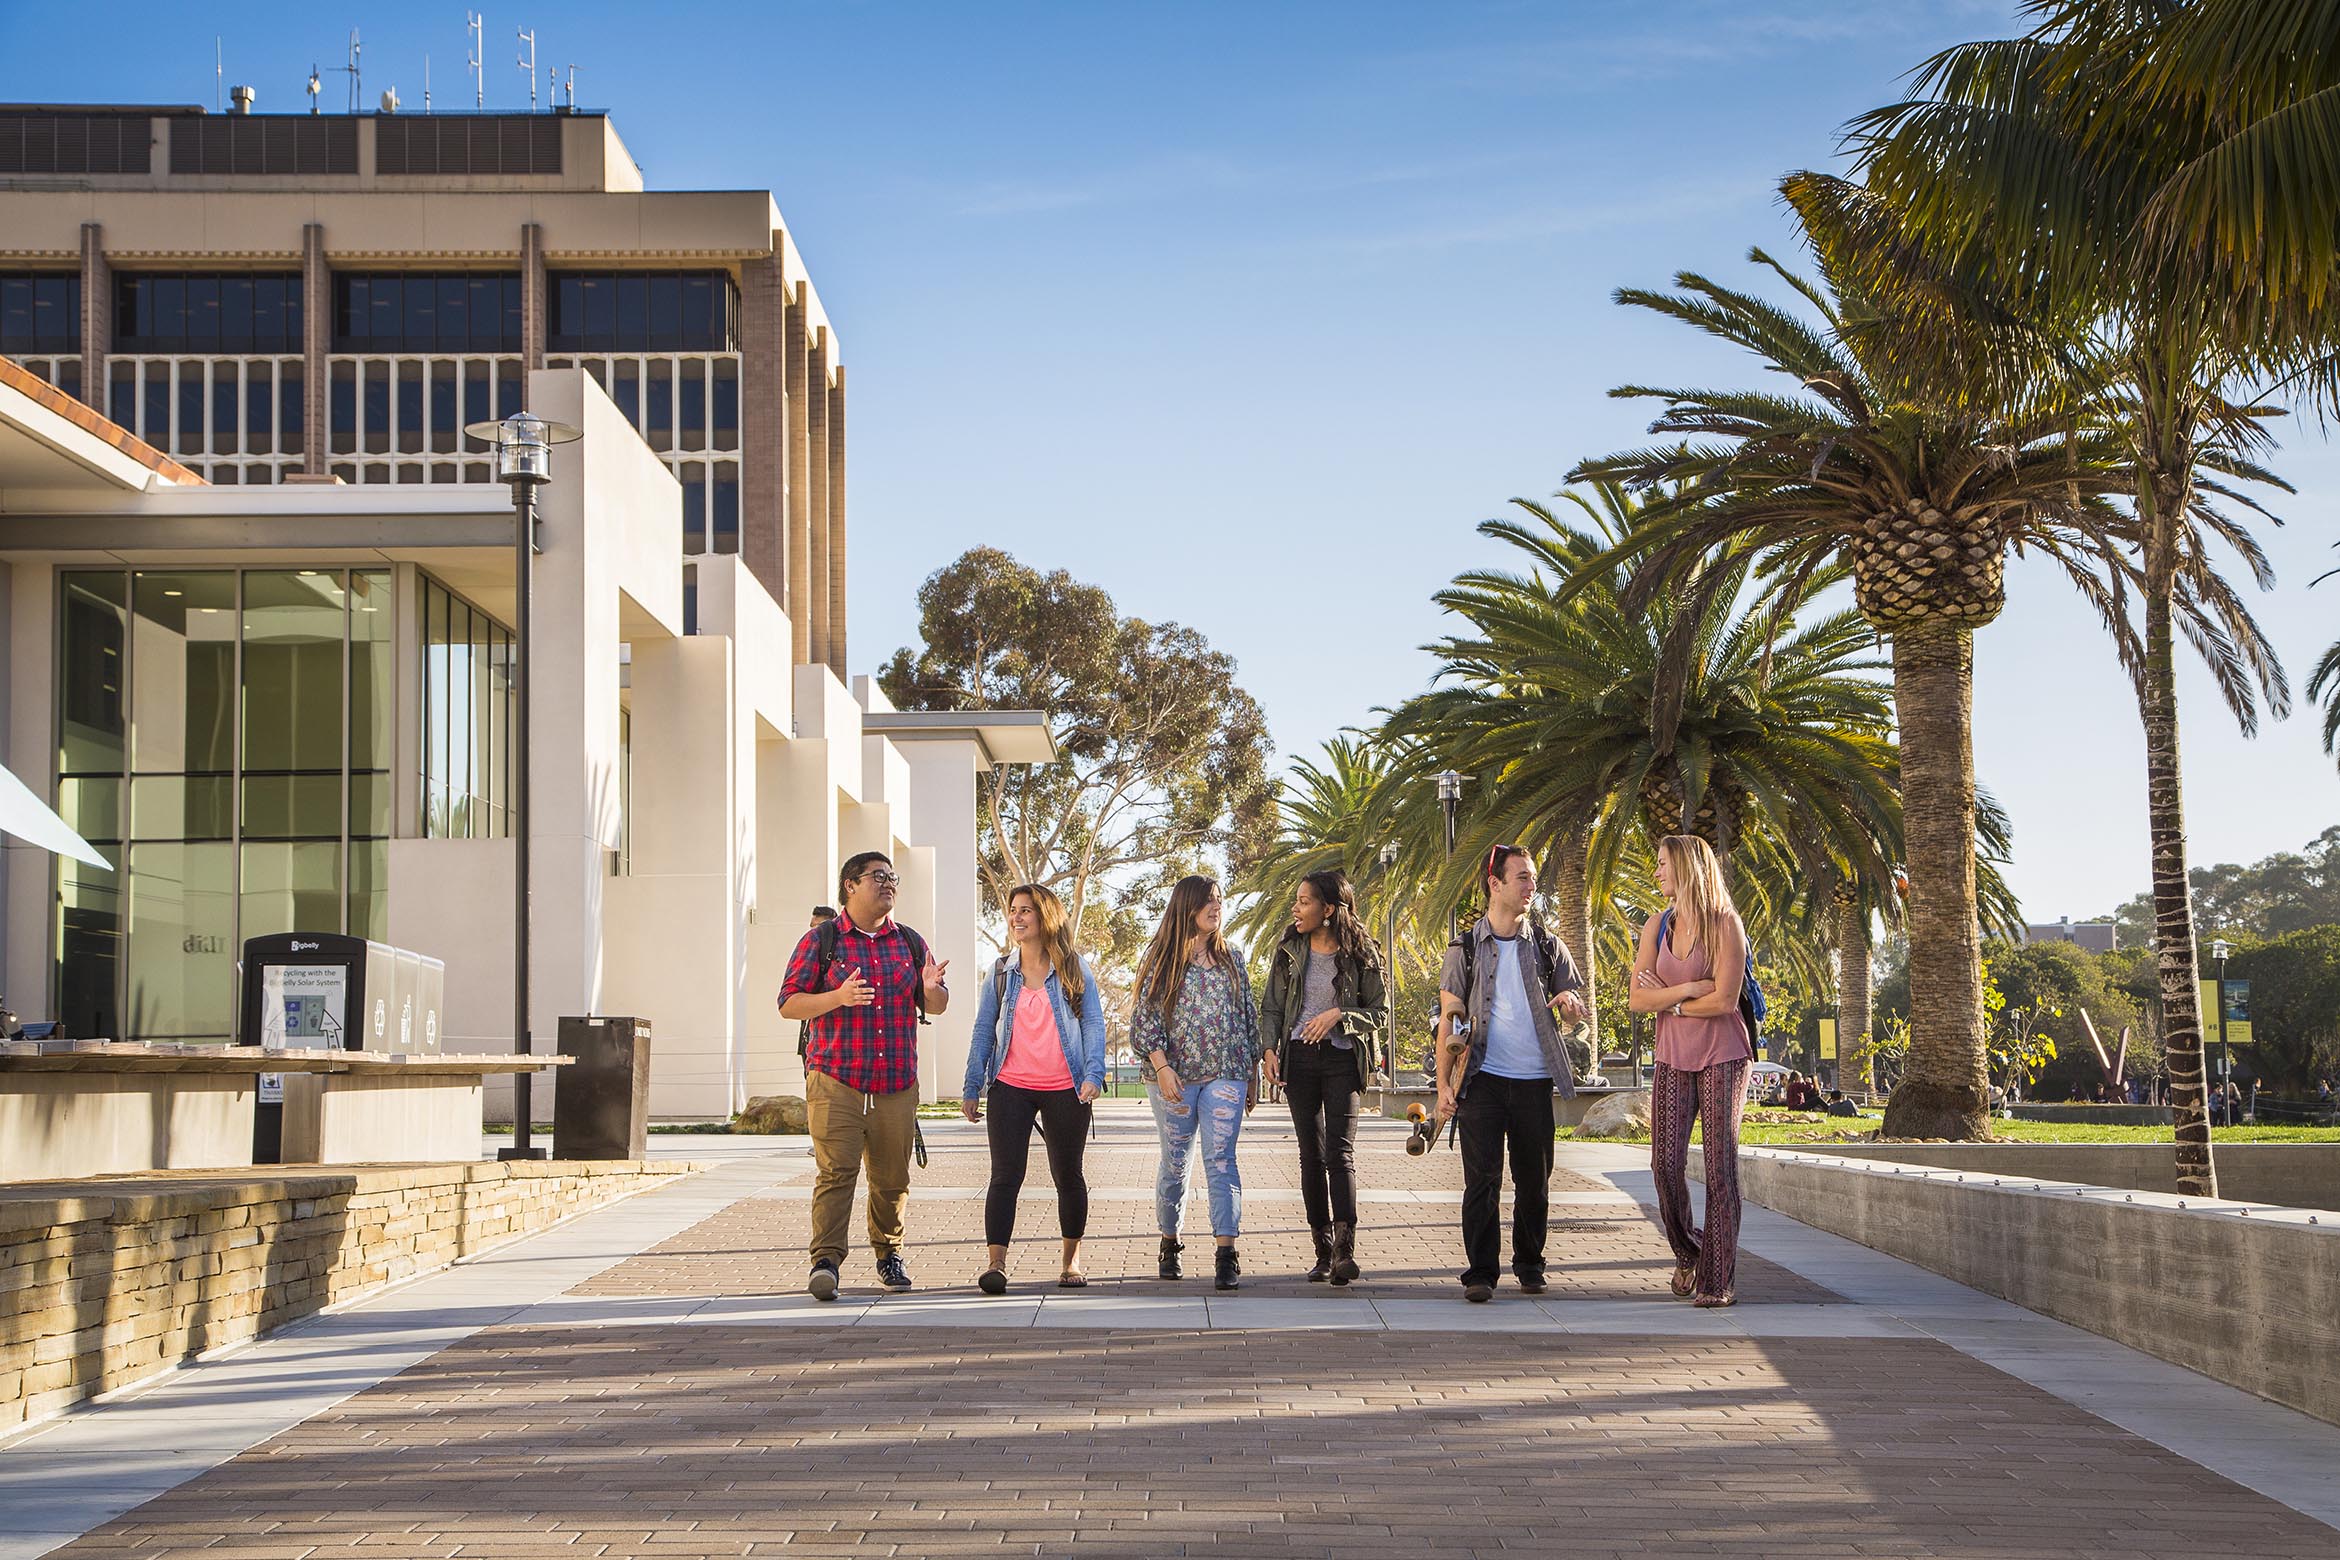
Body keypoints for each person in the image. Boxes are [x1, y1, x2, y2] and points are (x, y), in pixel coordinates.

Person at [778, 852, 949, 1300]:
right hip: (836, 1078)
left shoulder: (910, 942)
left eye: (893, 877)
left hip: (895, 1080)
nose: (889, 883)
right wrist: (837, 997)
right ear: (850, 885)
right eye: (879, 876)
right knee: (836, 1173)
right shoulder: (823, 940)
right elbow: (789, 1003)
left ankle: (889, 1254)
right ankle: (826, 1262)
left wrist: (932, 990)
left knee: (892, 1177)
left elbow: (935, 1005)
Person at [1435, 845, 1588, 1303]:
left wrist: (1570, 1010)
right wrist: (1444, 1085)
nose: (1531, 885)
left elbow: (1573, 1014)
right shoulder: (1463, 949)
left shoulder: (1547, 945)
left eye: (1533, 877)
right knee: (1482, 1180)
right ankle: (1481, 1272)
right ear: (1495, 884)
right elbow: (1450, 1018)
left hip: (1534, 1080)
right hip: (1482, 1077)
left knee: (1534, 1180)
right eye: (1522, 877)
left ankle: (1529, 1264)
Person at [962, 884, 1106, 1292]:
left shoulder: (1074, 969)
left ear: (1046, 918)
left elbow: (1093, 1023)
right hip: (1010, 1086)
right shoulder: (1001, 972)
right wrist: (973, 1084)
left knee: (1068, 1174)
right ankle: (996, 1263)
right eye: (1013, 910)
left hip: (1066, 1086)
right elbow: (982, 1030)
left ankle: (1071, 1260)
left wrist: (1093, 1075)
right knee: (1005, 1175)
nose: (1016, 917)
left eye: (1026, 910)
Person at [1632, 834, 1754, 1309]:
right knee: (1664, 1165)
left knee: (1721, 1166)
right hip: (1672, 1055)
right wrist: (1690, 991)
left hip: (1723, 1053)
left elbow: (1725, 1000)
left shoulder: (1726, 924)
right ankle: (1689, 1250)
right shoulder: (1656, 926)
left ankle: (1717, 1281)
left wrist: (1672, 998)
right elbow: (1637, 999)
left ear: (1686, 867)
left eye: (1663, 863)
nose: (1656, 872)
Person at [1133, 875, 1264, 1292]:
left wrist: (1252, 1071)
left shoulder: (1233, 959)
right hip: (1173, 1078)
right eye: (1207, 901)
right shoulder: (1160, 958)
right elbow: (1144, 1019)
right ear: (1186, 906)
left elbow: (1247, 1017)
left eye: (1219, 900)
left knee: (1222, 1159)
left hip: (1226, 1073)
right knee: (1176, 1163)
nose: (1215, 907)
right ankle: (1169, 1242)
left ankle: (1227, 1254)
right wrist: (1162, 1065)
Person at [1258, 868, 1388, 1286]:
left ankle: (1344, 1251)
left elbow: (1380, 1012)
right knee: (1310, 1155)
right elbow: (1272, 1008)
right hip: (1299, 1059)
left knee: (1339, 1153)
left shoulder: (1361, 952)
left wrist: (1338, 1014)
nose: (1296, 908)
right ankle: (1322, 1250)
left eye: (1305, 901)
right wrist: (1269, 1050)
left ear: (1328, 909)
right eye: (1296, 900)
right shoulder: (1289, 950)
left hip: (1342, 1059)